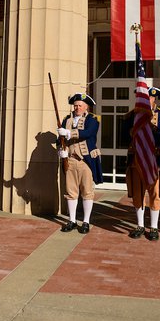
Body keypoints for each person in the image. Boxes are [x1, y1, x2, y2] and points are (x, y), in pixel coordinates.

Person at [122, 87, 160, 241]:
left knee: (155, 194)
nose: (145, 101)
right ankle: (140, 225)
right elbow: (123, 138)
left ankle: (154, 227)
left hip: (154, 161)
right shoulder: (131, 116)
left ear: (154, 99)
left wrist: (151, 130)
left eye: (148, 98)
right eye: (142, 98)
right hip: (137, 160)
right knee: (138, 193)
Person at [56, 93, 102, 234]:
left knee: (87, 192)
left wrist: (69, 133)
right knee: (71, 192)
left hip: (85, 160)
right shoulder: (66, 120)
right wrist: (61, 150)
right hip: (70, 160)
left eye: (80, 105)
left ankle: (86, 221)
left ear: (86, 106)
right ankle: (72, 220)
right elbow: (60, 140)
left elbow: (88, 133)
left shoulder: (93, 119)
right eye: (75, 105)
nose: (77, 108)